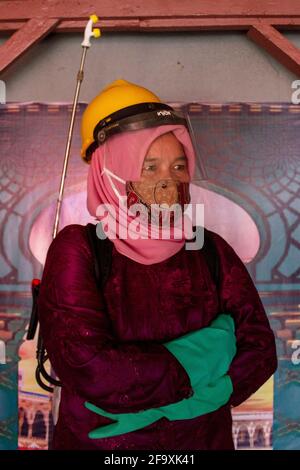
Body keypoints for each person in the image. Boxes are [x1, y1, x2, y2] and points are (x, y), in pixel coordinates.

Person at [37, 79, 277, 450]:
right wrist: (210, 349)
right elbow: (90, 369)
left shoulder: (210, 249)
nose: (169, 180)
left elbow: (259, 349)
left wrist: (187, 405)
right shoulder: (79, 249)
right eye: (149, 167)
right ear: (109, 171)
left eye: (178, 165)